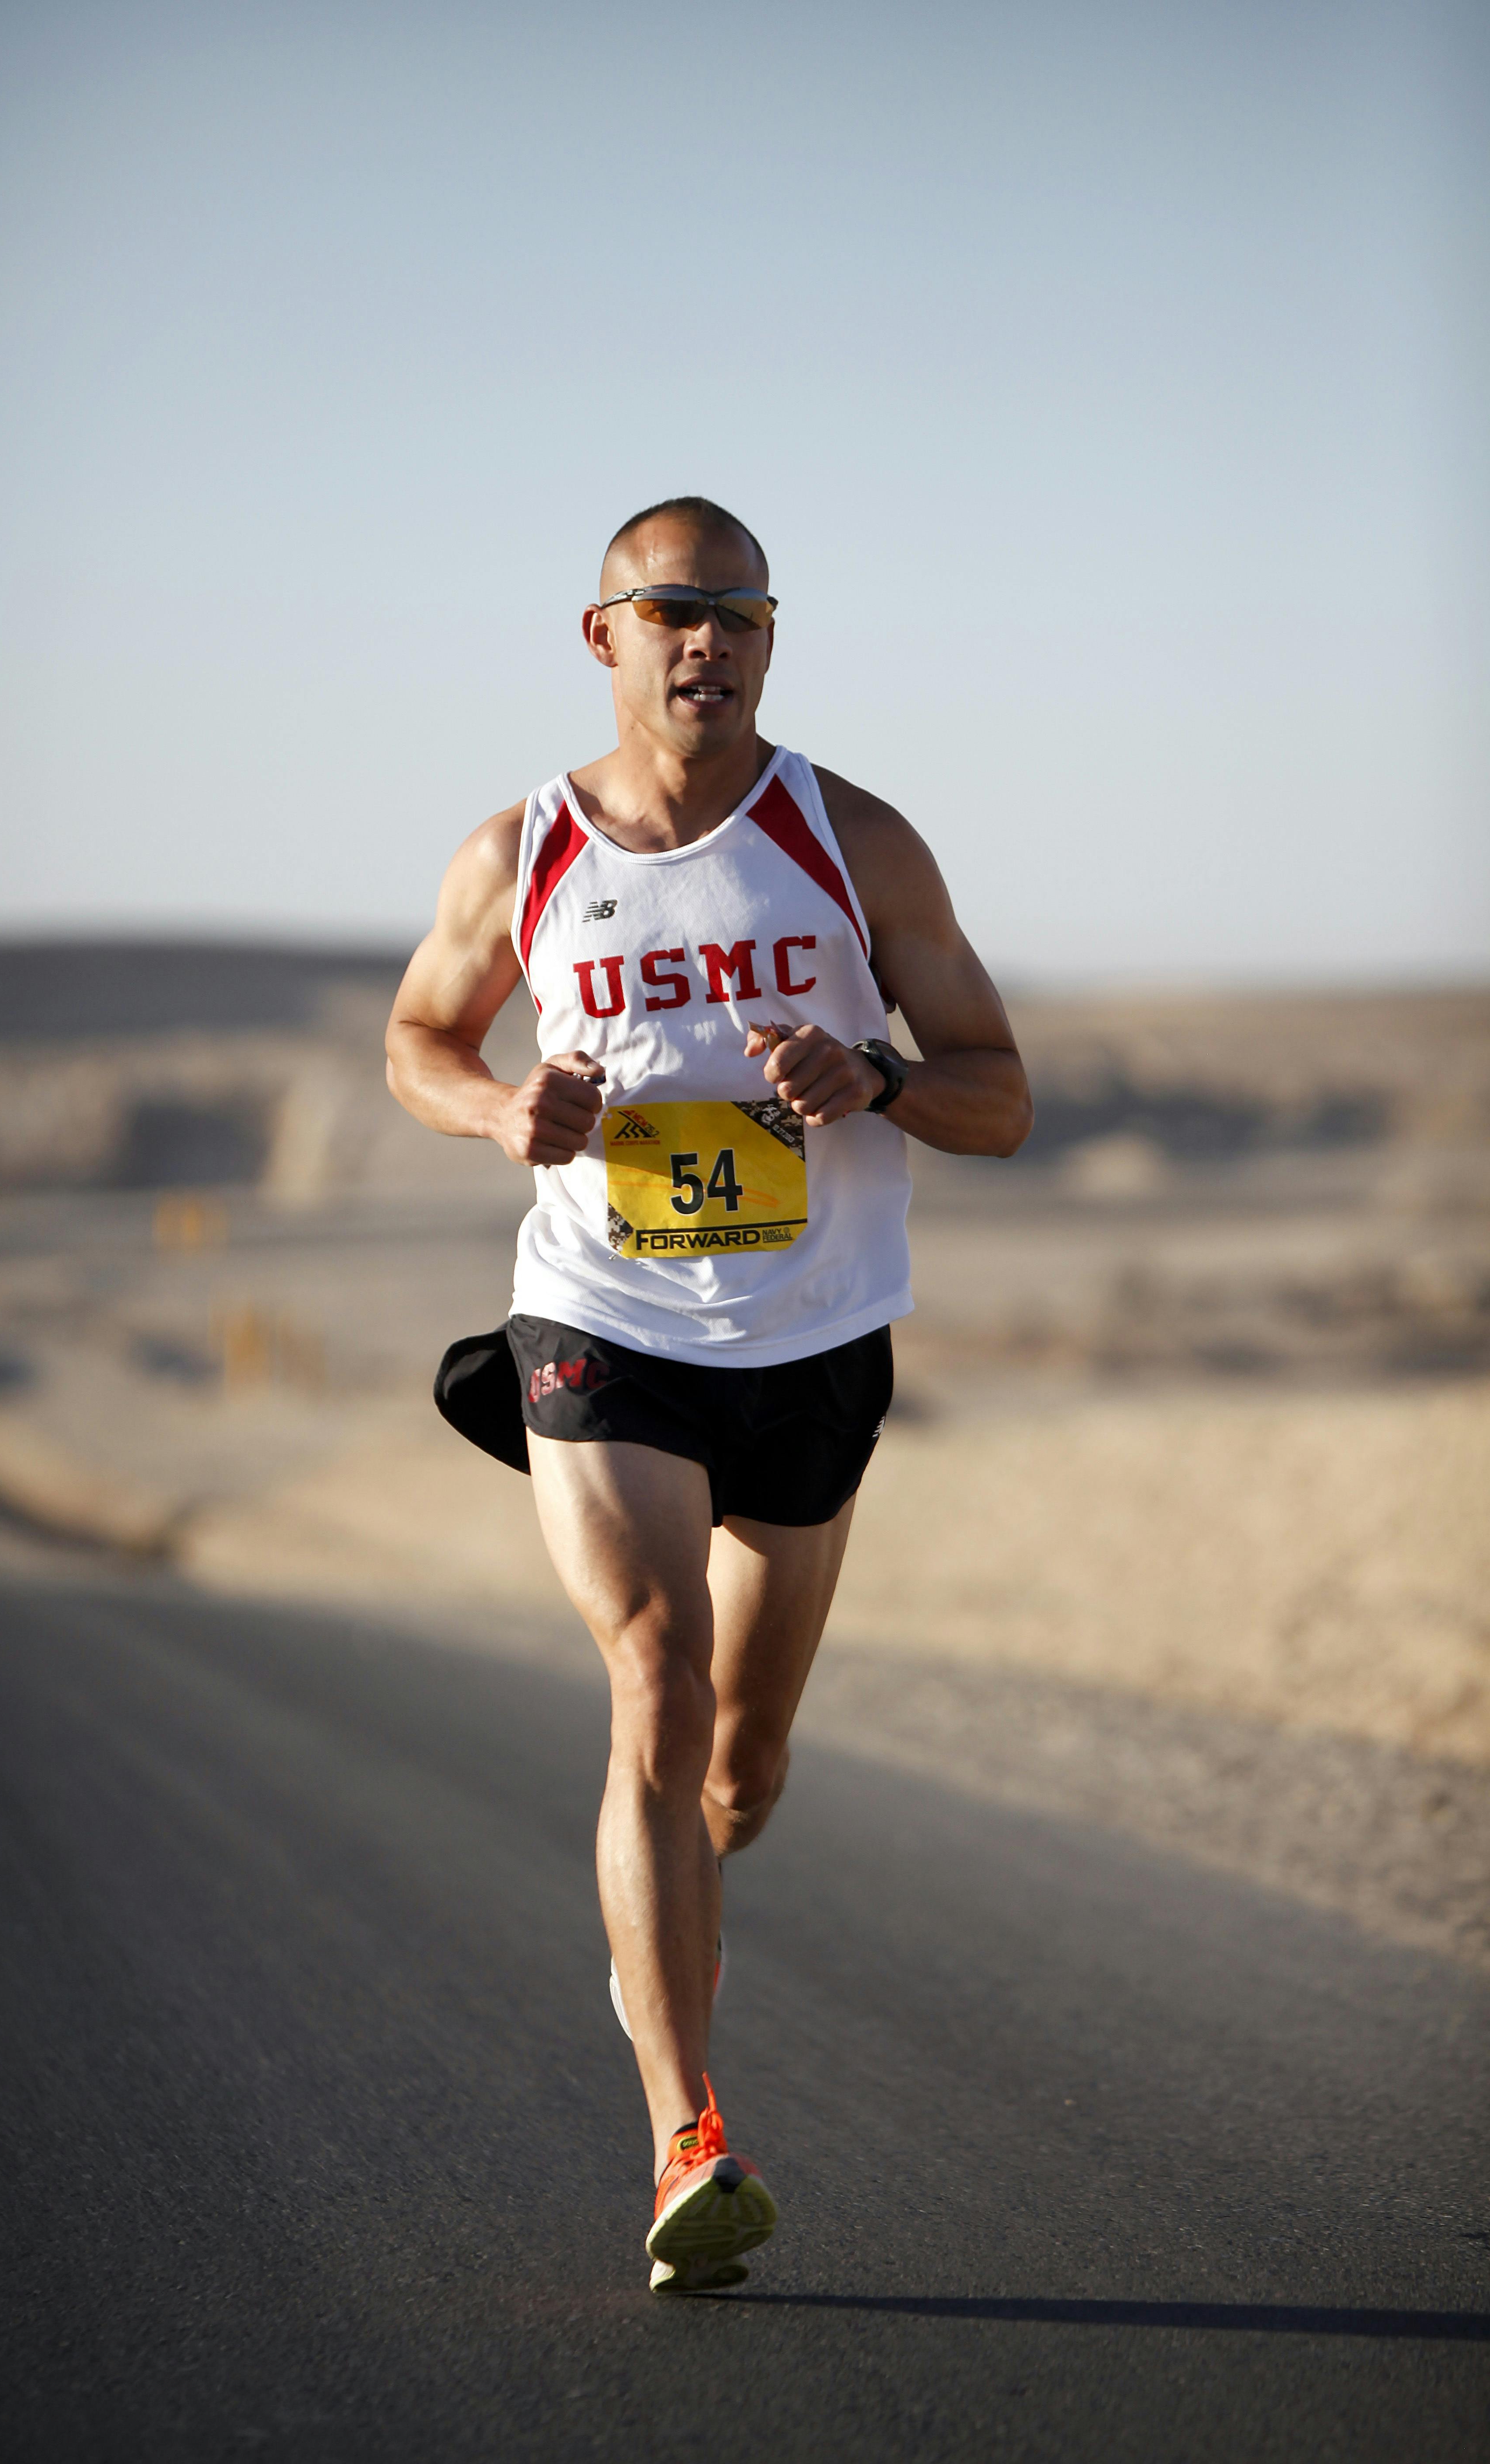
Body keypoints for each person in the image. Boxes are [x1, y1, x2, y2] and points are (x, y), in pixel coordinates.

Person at [384, 496, 1032, 2293]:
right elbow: (419, 1040)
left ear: (769, 637)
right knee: (653, 1679)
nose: (711, 642)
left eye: (741, 614)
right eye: (674, 611)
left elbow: (1002, 1095)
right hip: (601, 1321)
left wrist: (881, 1078)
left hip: (813, 1347)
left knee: (739, 1769)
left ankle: (685, 1890)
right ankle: (689, 2136)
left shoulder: (852, 843)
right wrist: (499, 1112)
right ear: (603, 636)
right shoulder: (518, 853)